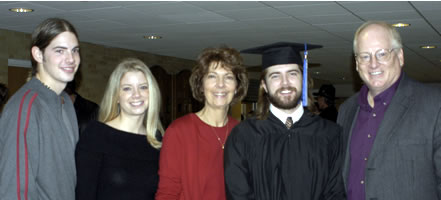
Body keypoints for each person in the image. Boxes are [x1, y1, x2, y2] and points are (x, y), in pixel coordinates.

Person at [224, 42, 346, 200]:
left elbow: (335, 192)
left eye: (292, 74)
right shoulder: (243, 136)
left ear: (303, 79)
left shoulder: (330, 134)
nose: (285, 82)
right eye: (275, 76)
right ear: (264, 85)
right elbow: (238, 194)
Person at [337, 21, 441, 200]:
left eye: (382, 54)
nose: (373, 64)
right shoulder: (347, 111)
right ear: (357, 63)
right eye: (365, 56)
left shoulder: (434, 104)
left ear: (400, 56)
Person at [0, 18, 80, 200]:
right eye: (59, 51)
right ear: (38, 54)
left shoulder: (66, 102)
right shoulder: (26, 106)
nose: (70, 59)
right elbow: (14, 188)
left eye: (74, 51)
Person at [156, 46, 249, 200]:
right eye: (212, 76)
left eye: (228, 77)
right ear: (201, 84)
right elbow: (167, 193)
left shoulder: (243, 133)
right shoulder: (179, 131)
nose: (221, 84)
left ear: (237, 86)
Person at [75, 58, 164, 200]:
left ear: (151, 93)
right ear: (116, 96)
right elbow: (84, 194)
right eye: (127, 88)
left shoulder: (157, 141)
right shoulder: (96, 135)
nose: (136, 94)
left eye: (143, 87)